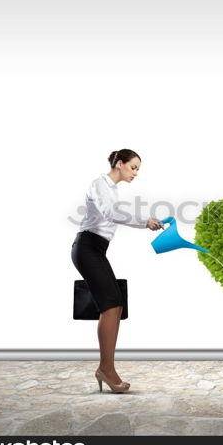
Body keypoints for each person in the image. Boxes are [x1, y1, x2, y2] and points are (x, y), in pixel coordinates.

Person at [71, 148, 163, 393]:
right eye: (133, 167)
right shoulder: (99, 184)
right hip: (87, 248)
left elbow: (112, 215)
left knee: (115, 304)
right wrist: (145, 221)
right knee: (112, 304)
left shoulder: (111, 190)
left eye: (137, 170)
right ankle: (106, 370)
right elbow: (110, 213)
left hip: (96, 250)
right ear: (119, 164)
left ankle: (106, 368)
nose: (135, 173)